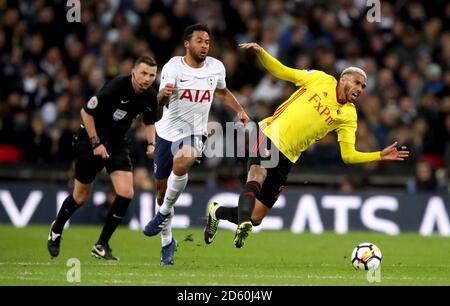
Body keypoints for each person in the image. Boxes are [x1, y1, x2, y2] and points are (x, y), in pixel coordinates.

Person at [204, 42, 410, 248]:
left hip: (289, 156)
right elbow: (283, 71)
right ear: (344, 79)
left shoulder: (348, 115)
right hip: (269, 133)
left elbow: (348, 155)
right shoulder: (320, 79)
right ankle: (243, 222)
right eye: (357, 82)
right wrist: (261, 52)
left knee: (257, 216)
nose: (360, 89)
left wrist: (378, 155)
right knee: (257, 174)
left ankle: (217, 212)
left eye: (363, 86)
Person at [143, 24, 250, 265]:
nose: (204, 45)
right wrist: (163, 95)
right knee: (161, 192)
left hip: (194, 132)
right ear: (187, 44)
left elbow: (221, 92)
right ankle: (167, 242)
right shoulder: (173, 67)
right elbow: (157, 99)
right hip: (166, 132)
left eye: (207, 42)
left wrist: (240, 110)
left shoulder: (216, 67)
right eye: (199, 41)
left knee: (185, 159)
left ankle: (161, 214)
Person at [47, 56, 159, 261]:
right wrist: (95, 144)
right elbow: (86, 113)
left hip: (116, 144)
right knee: (80, 197)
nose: (147, 78)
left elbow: (150, 122)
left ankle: (101, 245)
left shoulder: (150, 95)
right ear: (134, 72)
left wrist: (152, 144)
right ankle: (56, 228)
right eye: (143, 73)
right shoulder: (115, 87)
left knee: (126, 192)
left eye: (152, 74)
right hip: (90, 141)